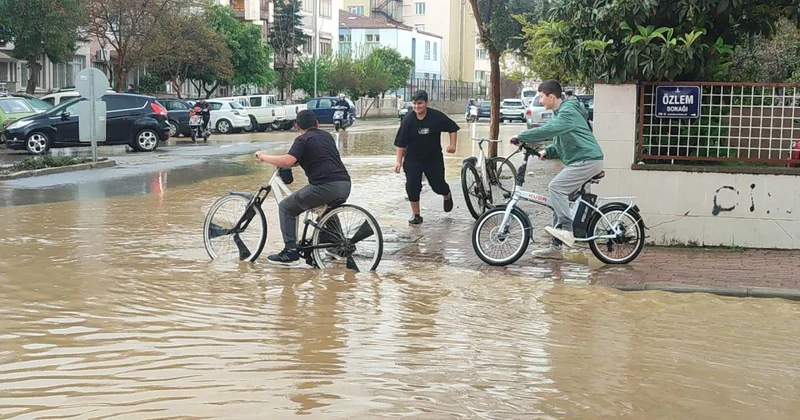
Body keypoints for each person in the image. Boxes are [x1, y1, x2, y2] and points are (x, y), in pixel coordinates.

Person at [510, 79, 604, 259]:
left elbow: (550, 130)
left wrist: (522, 136)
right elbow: (563, 140)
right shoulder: (560, 112)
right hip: (581, 159)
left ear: (552, 97)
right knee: (556, 201)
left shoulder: (567, 112)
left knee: (555, 187)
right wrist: (548, 151)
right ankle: (555, 248)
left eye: (542, 97)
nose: (541, 101)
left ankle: (568, 230)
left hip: (587, 160)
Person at [254, 110, 351, 264]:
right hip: (345, 185)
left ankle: (290, 250)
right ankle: (336, 245)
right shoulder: (327, 136)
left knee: (286, 207)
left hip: (325, 186)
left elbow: (287, 161)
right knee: (326, 209)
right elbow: (314, 157)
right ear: (317, 123)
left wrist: (264, 157)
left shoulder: (302, 139)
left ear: (297, 126)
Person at [394, 90, 459, 225]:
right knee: (412, 185)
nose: (417, 107)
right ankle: (416, 215)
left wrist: (452, 145)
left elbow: (452, 127)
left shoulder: (436, 117)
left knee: (437, 185)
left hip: (433, 158)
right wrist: (398, 161)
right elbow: (400, 143)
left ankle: (446, 194)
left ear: (426, 103)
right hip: (413, 158)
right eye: (415, 104)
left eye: (420, 103)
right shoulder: (408, 120)